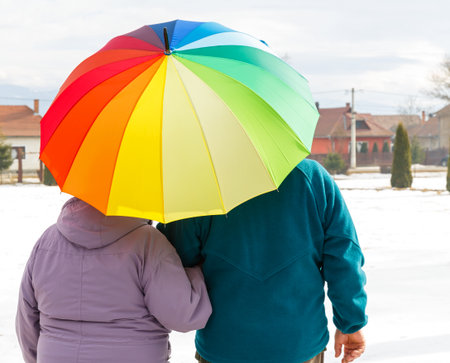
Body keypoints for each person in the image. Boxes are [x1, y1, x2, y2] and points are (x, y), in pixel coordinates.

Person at [157, 159, 367, 363]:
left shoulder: (201, 185)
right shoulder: (312, 178)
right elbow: (344, 258)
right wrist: (350, 321)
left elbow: (173, 259)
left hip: (225, 344)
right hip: (298, 344)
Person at [16, 197, 212, 363]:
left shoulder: (47, 241)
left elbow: (27, 318)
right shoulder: (148, 242)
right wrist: (196, 273)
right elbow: (182, 315)